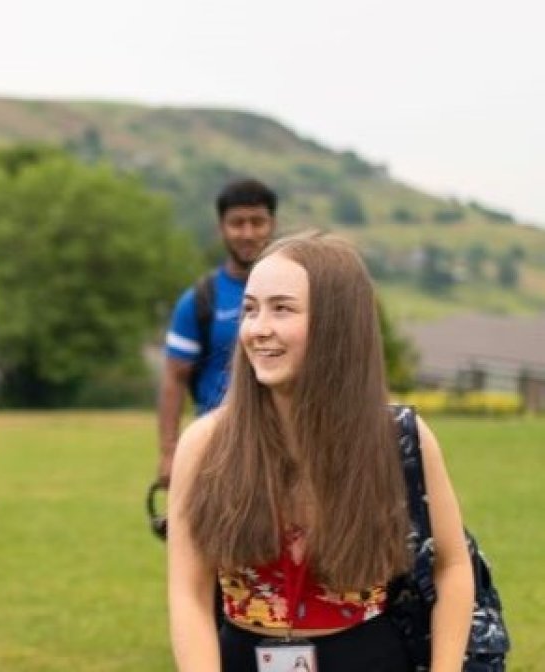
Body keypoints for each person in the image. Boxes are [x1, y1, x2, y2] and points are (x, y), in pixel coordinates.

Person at [166, 232, 474, 671]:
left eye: (282, 308)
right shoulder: (206, 444)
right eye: (250, 309)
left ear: (337, 324)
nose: (258, 329)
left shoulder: (402, 439)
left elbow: (452, 565)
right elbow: (189, 594)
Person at [156, 179, 277, 486]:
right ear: (221, 228)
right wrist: (169, 452)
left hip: (286, 448)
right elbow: (174, 377)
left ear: (272, 224)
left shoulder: (298, 292)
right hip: (218, 453)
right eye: (237, 223)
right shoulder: (199, 300)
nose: (248, 233)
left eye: (257, 222)